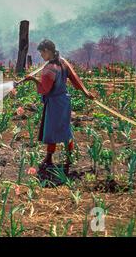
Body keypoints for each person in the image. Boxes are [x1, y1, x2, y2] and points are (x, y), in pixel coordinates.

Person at [25, 39, 94, 175]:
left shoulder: (49, 68)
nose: (41, 56)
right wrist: (86, 92)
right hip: (64, 101)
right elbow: (74, 78)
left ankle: (49, 158)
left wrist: (33, 80)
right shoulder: (63, 62)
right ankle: (68, 158)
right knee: (65, 128)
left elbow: (45, 89)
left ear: (47, 51)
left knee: (51, 131)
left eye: (41, 53)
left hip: (54, 103)